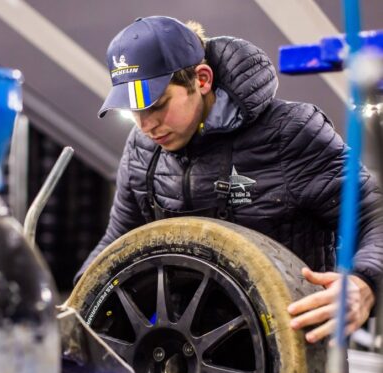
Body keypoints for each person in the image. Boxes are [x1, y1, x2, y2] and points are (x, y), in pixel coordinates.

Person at [77, 15, 383, 343]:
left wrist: (364, 284)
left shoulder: (290, 134)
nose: (146, 125)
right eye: (133, 111)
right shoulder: (143, 149)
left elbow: (374, 217)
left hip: (292, 361)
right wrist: (74, 309)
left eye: (158, 105)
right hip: (182, 362)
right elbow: (118, 244)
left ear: (203, 79)